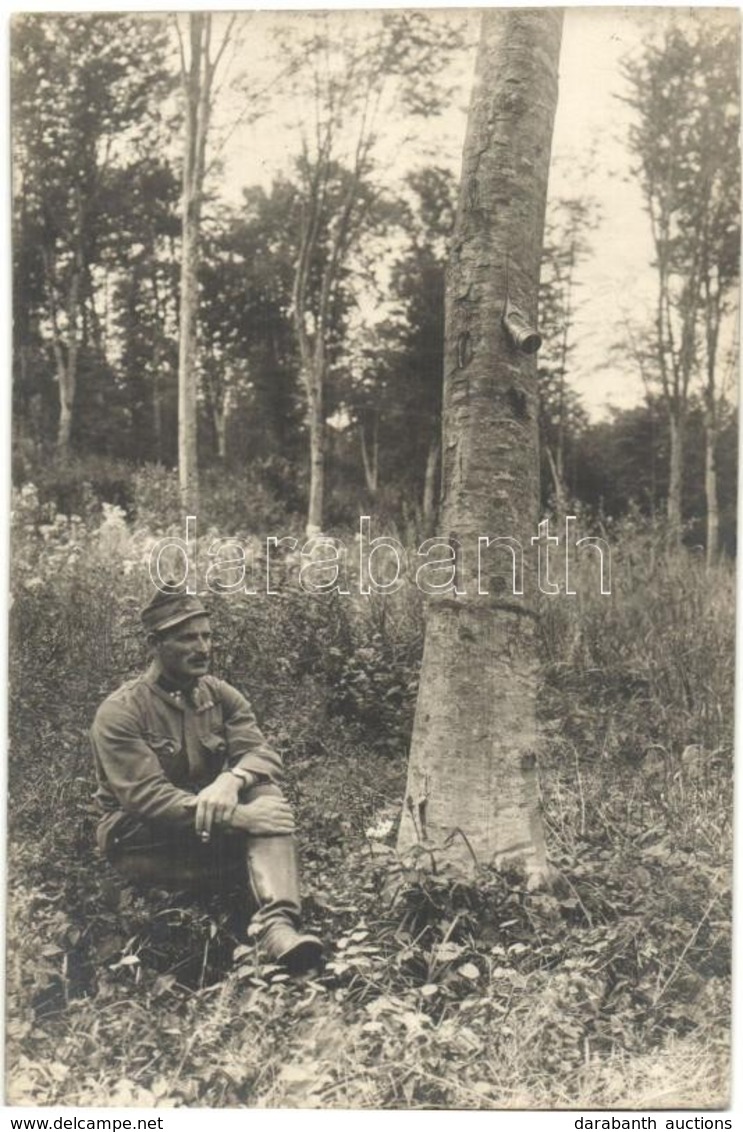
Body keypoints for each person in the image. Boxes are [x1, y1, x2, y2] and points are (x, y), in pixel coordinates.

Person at [89, 585, 323, 974]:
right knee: (261, 816)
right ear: (154, 643)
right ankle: (257, 905)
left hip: (202, 828)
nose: (202, 647)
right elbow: (148, 799)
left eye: (207, 635)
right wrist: (242, 819)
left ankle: (278, 929)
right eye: (186, 637)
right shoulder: (121, 711)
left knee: (263, 789)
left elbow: (261, 753)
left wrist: (231, 781)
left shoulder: (220, 694)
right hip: (142, 841)